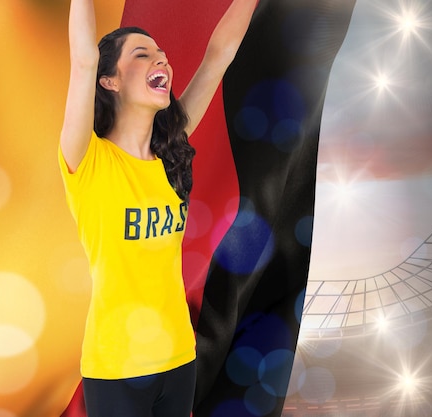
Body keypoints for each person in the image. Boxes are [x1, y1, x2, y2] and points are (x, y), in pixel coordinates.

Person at [58, 0, 257, 415]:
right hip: (115, 367)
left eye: (162, 56)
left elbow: (220, 54)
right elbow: (82, 61)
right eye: (142, 54)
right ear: (109, 80)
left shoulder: (171, 153)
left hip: (179, 358)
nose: (161, 60)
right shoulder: (89, 160)